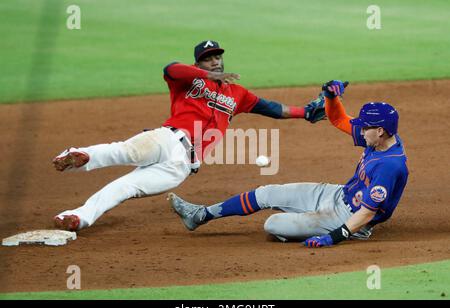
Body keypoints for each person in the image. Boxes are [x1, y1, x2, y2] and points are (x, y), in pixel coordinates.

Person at [52, 40, 326, 231]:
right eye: (208, 58)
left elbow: (273, 108)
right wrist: (204, 75)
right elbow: (170, 68)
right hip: (167, 138)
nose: (215, 61)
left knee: (126, 188)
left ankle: (78, 217)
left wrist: (306, 112)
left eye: (217, 56)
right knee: (127, 151)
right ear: (199, 62)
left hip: (181, 167)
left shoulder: (238, 93)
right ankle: (81, 155)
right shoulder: (188, 79)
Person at [168, 80, 409, 247]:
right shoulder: (378, 139)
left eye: (365, 126)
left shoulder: (390, 166)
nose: (360, 129)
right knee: (266, 193)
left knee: (273, 225)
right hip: (338, 193)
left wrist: (335, 236)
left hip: (349, 218)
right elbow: (337, 119)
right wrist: (331, 96)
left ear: (380, 130)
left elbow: (368, 213)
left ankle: (315, 224)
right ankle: (200, 215)